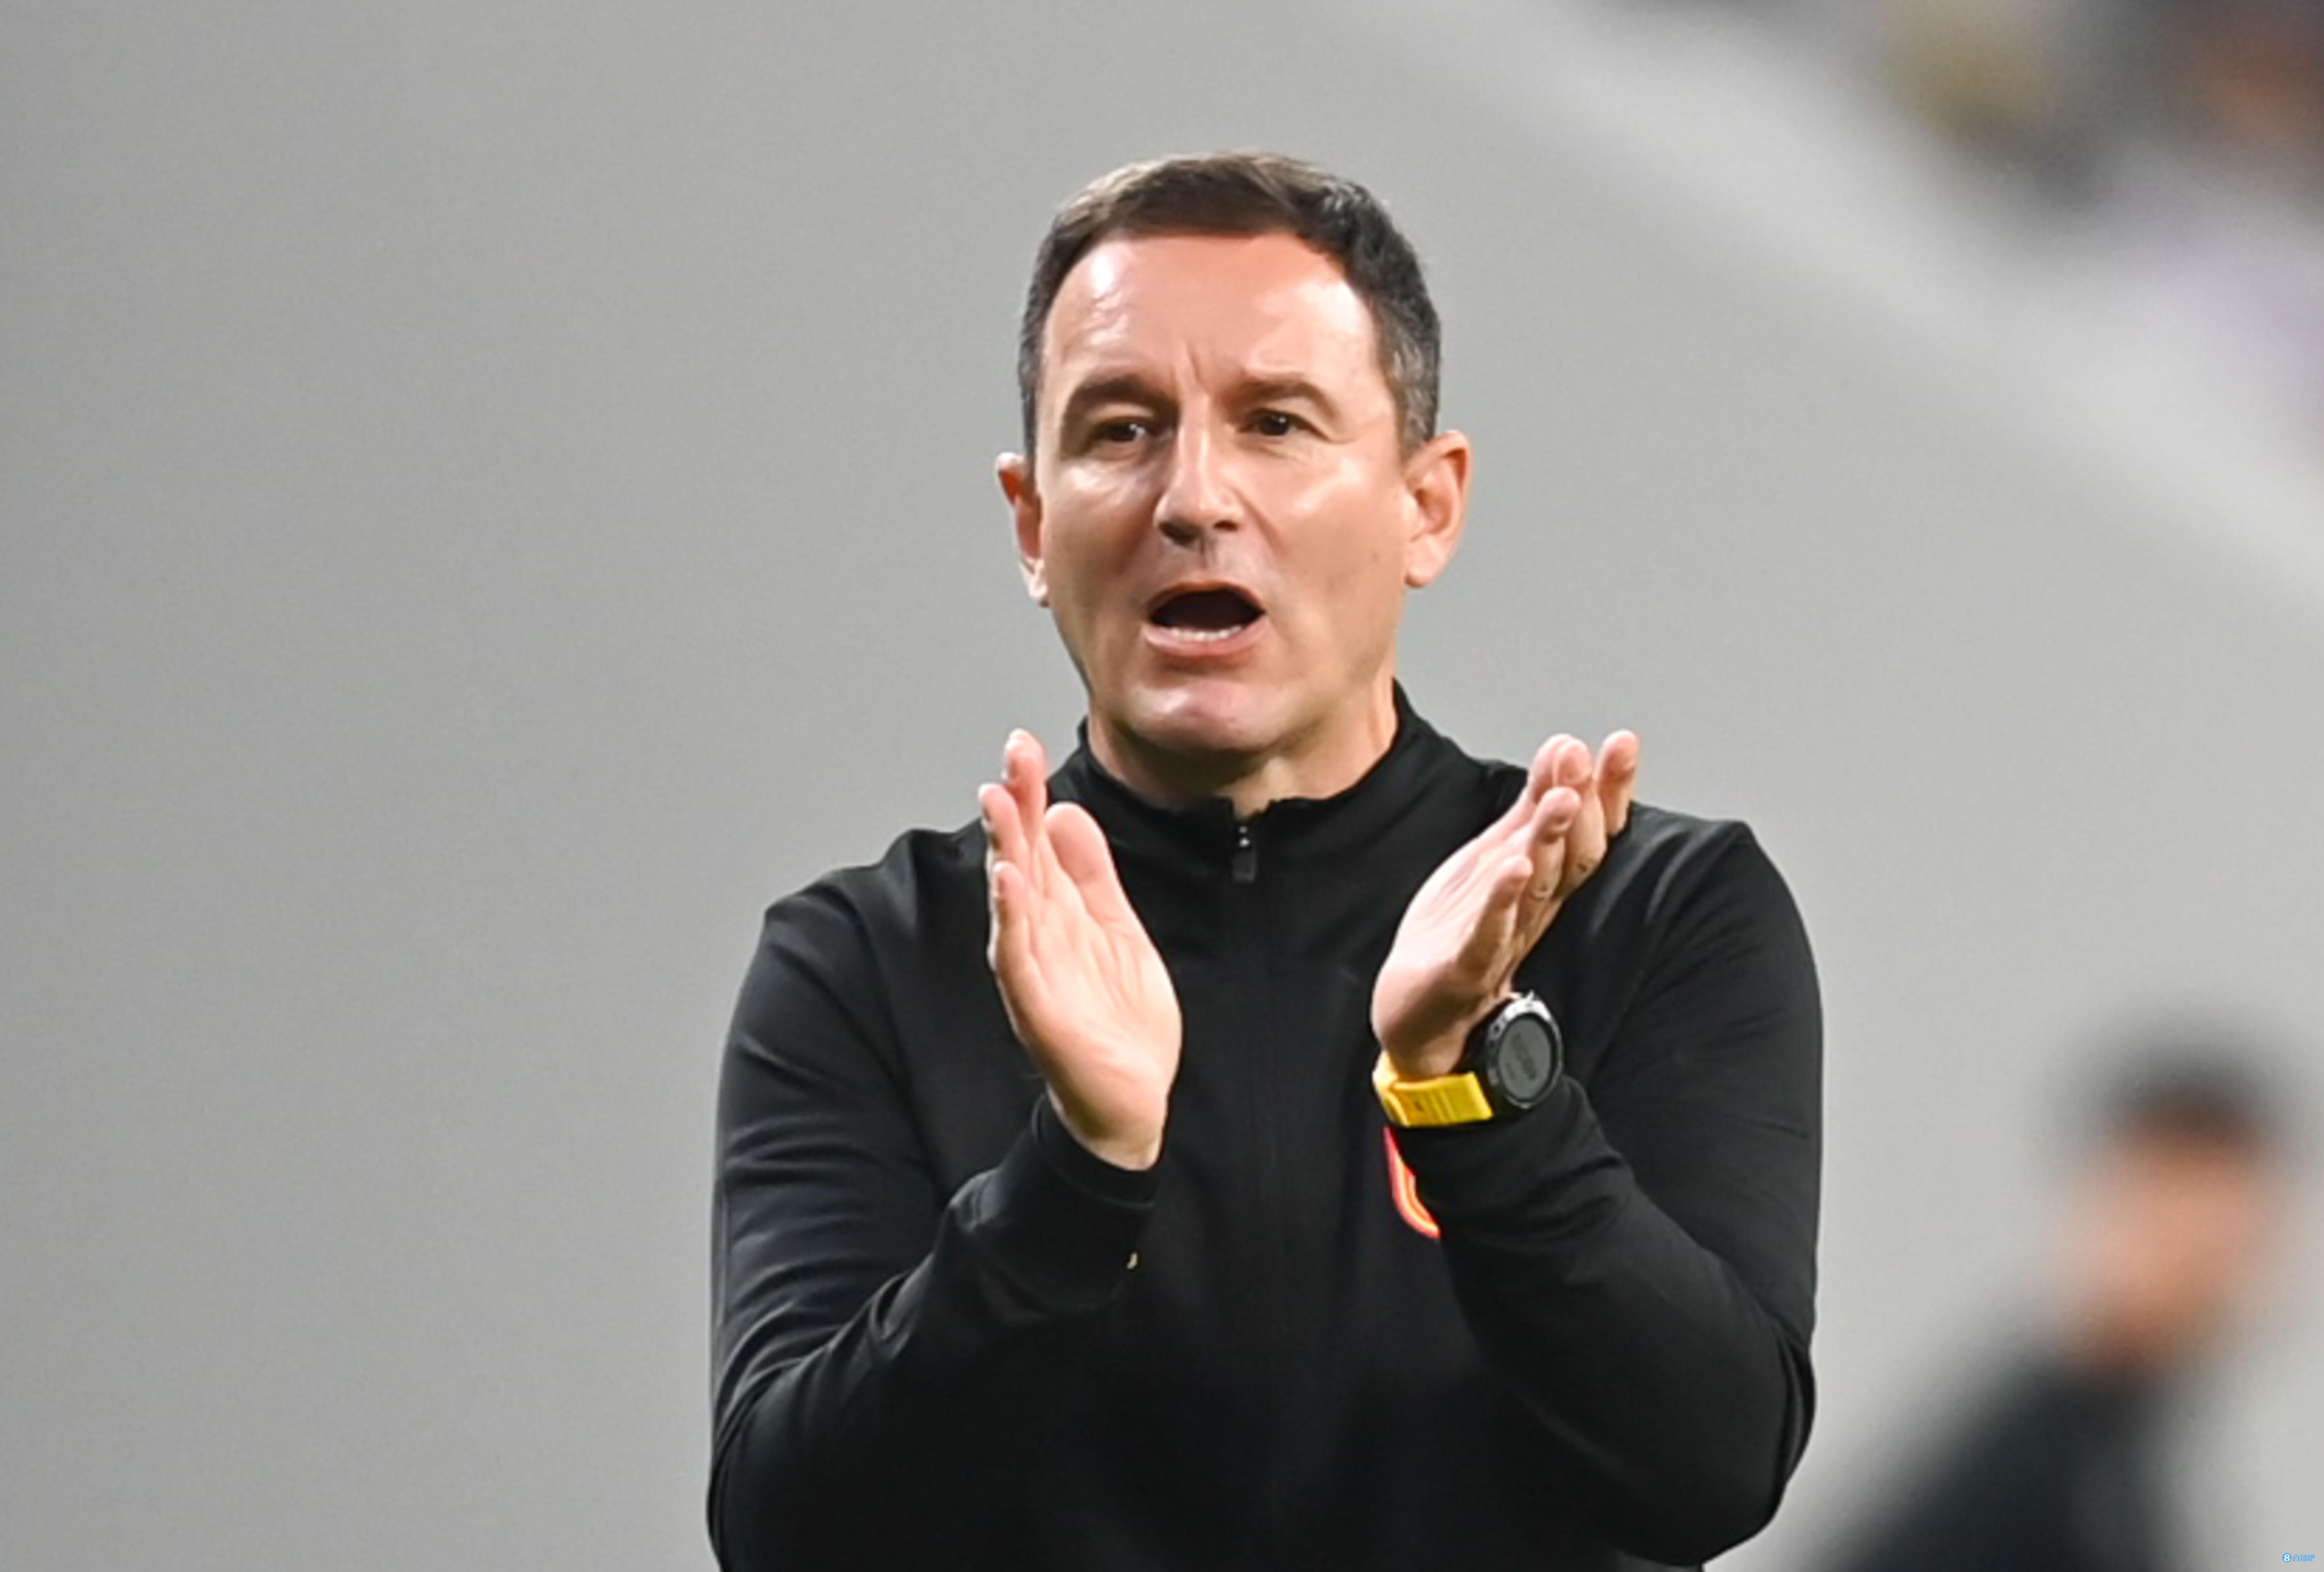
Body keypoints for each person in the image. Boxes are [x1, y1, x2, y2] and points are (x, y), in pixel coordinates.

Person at [708, 151, 1823, 1571]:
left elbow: (1710, 1469)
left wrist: (1473, 1089)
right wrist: (1078, 1174)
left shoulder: (1647, 911)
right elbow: (790, 1534)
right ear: (1033, 525)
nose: (1193, 497)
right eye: (1121, 430)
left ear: (1427, 505)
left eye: (1276, 424)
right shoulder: (871, 962)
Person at [1815, 1043, 2285, 1572]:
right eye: (2179, 1244)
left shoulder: (2128, 1449)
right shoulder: (2048, 1465)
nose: (2208, 1288)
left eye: (2225, 1254)